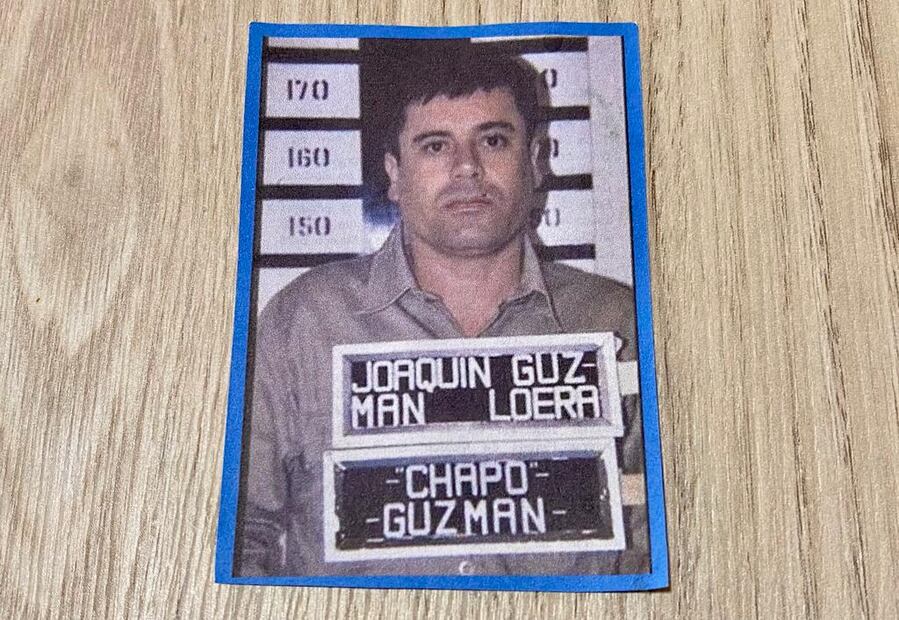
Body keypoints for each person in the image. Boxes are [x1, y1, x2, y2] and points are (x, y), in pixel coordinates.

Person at [236, 42, 648, 576]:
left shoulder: (619, 324)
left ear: (534, 161)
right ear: (394, 174)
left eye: (493, 140)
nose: (467, 168)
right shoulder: (304, 323)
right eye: (435, 146)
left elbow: (657, 539)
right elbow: (239, 534)